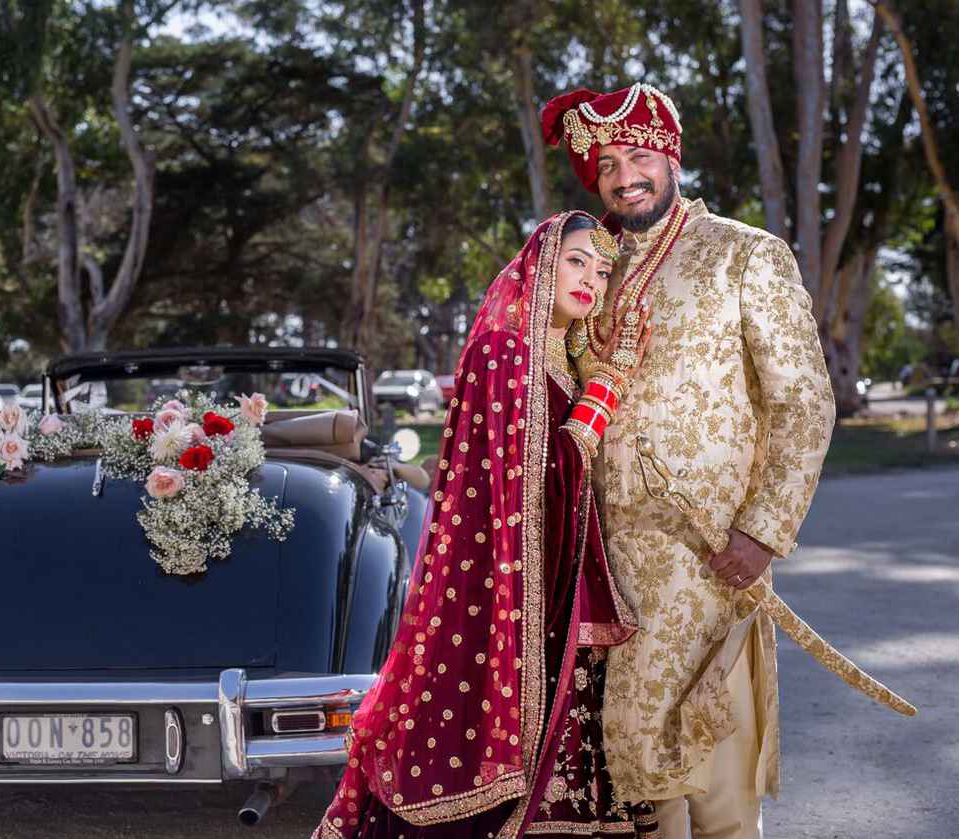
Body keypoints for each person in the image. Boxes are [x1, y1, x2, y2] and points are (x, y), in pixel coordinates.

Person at [540, 83, 837, 838]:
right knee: (625, 776)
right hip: (598, 565)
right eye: (607, 163)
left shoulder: (745, 254)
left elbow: (803, 401)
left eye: (639, 155)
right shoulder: (582, 268)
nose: (623, 174)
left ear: (671, 156)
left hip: (708, 559)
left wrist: (762, 531)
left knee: (714, 775)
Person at [311, 211, 659, 839]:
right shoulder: (509, 349)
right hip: (507, 586)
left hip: (554, 582)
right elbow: (544, 473)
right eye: (576, 261)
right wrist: (606, 389)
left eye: (603, 272)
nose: (591, 281)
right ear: (541, 265)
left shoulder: (558, 357)